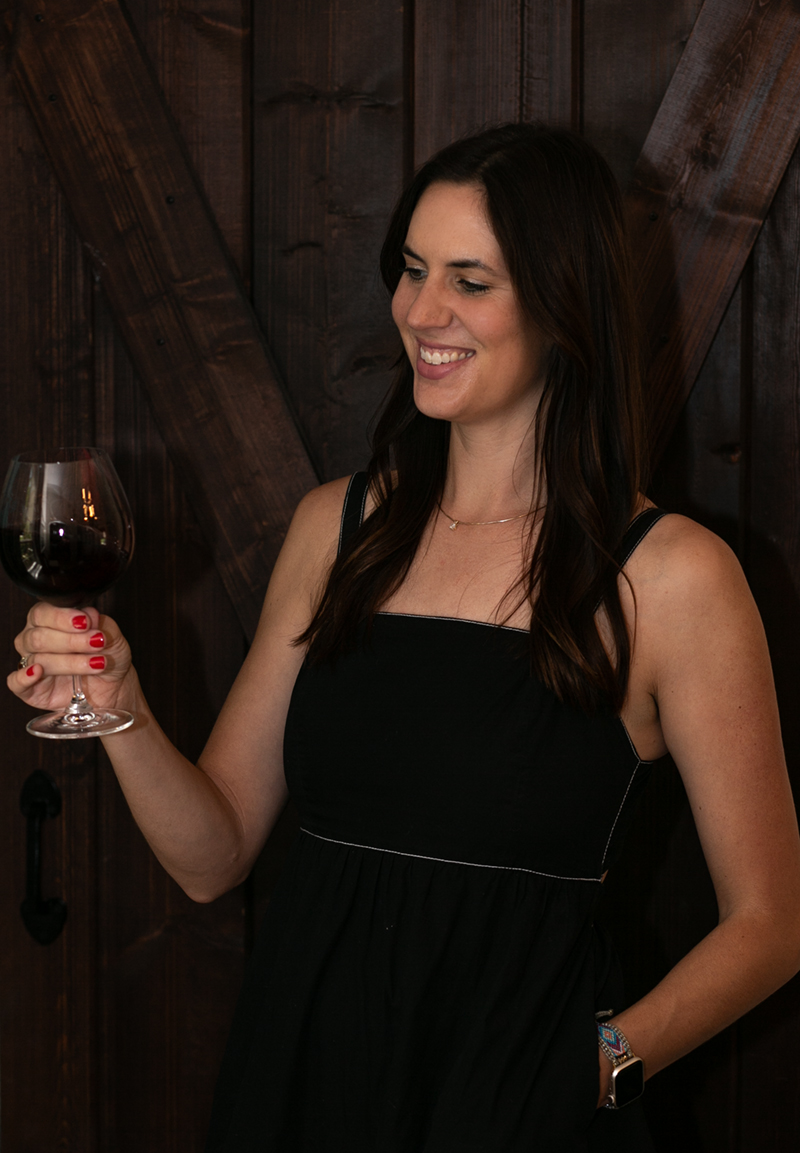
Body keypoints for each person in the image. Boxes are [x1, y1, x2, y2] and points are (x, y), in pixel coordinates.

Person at [8, 123, 800, 1151]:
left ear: (564, 307)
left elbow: (771, 924)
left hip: (519, 1122)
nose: (421, 312)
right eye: (414, 269)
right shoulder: (335, 529)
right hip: (298, 1093)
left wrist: (593, 1071)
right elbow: (213, 855)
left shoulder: (671, 576)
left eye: (470, 281)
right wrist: (122, 712)